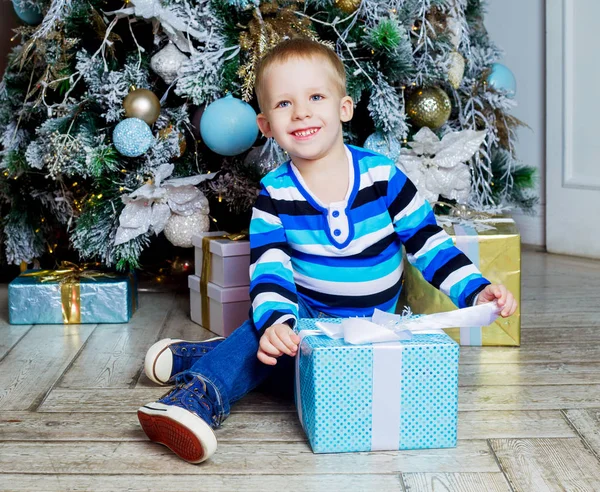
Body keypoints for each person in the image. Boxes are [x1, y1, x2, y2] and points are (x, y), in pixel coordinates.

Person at [137, 37, 518, 464]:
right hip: (308, 319)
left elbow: (430, 245)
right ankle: (195, 398)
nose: (301, 112)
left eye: (315, 97)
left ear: (344, 108)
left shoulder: (383, 178)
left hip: (372, 329)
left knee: (323, 378)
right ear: (265, 126)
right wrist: (278, 322)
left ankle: (201, 355)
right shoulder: (275, 194)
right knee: (274, 341)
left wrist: (476, 290)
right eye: (284, 104)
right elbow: (271, 269)